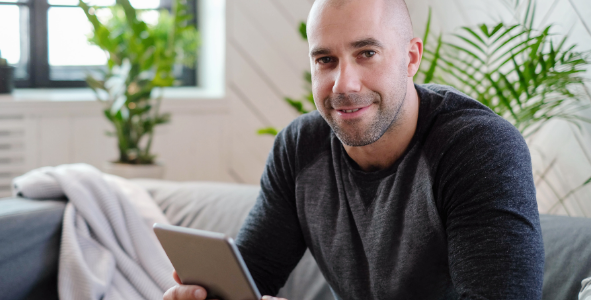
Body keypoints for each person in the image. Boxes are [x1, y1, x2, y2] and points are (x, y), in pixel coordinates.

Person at [163, 0, 545, 299]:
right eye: (325, 60)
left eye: (367, 53)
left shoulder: (479, 149)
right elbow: (252, 275)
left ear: (411, 58)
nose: (343, 84)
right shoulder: (300, 147)